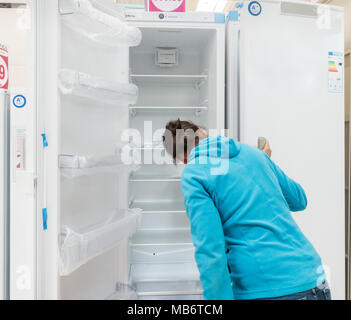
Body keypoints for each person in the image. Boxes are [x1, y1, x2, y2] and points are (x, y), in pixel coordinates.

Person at [162, 119, 331, 300]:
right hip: (314, 280)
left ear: (182, 158)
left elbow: (211, 250)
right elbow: (299, 200)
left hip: (268, 288)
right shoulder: (254, 154)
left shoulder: (194, 173)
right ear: (202, 132)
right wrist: (264, 163)